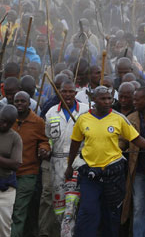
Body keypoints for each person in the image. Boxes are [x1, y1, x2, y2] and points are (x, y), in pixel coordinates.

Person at [64, 86, 145, 236]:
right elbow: (75, 143)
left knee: (111, 215)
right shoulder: (83, 119)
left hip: (113, 174)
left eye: (109, 98)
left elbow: (135, 138)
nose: (107, 101)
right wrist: (69, 166)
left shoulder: (119, 118)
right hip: (90, 173)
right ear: (94, 100)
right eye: (103, 99)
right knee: (88, 212)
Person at [44, 80, 89, 236]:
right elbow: (47, 138)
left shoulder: (85, 111)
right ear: (59, 92)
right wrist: (45, 149)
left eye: (71, 92)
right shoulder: (51, 113)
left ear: (76, 93)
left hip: (77, 162)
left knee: (72, 204)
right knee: (59, 205)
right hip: (56, 163)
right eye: (64, 91)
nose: (68, 95)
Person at [11, 91, 50, 237]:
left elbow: (45, 140)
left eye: (23, 101)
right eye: (17, 101)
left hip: (28, 172)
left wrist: (44, 149)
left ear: (29, 103)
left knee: (19, 210)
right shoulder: (8, 119)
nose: (19, 104)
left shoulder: (37, 122)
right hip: (8, 172)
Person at [121, 86, 145, 236]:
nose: (133, 102)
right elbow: (122, 142)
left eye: (137, 99)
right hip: (138, 170)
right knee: (138, 206)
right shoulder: (131, 118)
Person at [0, 105, 22, 236]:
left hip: (5, 188)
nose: (3, 124)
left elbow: (15, 164)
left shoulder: (15, 138)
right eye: (1, 120)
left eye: (8, 122)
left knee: (3, 227)